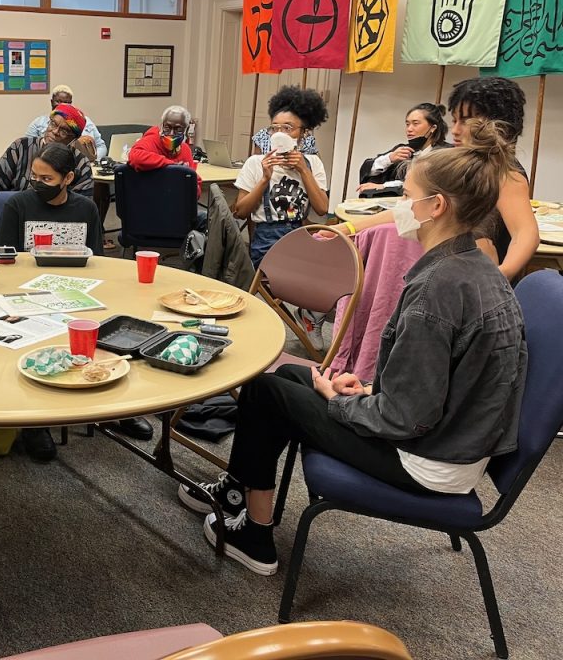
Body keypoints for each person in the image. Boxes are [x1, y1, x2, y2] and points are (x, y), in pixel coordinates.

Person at [178, 119, 527, 577]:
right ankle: (239, 490)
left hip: (430, 460)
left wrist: (343, 403)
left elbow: (403, 418)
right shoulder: (474, 266)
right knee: (288, 375)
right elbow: (430, 388)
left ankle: (255, 538)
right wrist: (364, 389)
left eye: (406, 197)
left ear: (435, 206)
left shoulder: (437, 290)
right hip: (453, 439)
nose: (399, 207)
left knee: (265, 392)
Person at [0, 143, 153, 458]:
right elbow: (1, 258)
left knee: (109, 329)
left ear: (68, 178)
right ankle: (34, 421)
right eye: (34, 177)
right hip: (27, 292)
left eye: (47, 179)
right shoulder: (18, 205)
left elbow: (98, 262)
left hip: (76, 291)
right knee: (32, 335)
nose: (38, 184)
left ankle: (115, 409)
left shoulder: (85, 209)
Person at [328, 77, 538, 283]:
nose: (455, 130)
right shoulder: (460, 163)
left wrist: (503, 273)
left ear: (497, 125)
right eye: (454, 120)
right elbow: (410, 209)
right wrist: (349, 228)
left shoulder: (504, 172)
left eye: (465, 121)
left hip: (472, 276)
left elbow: (525, 232)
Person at [233, 87, 330, 269]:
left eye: (288, 128)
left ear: (303, 132)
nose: (280, 134)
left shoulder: (312, 163)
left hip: (301, 235)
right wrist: (264, 179)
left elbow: (322, 209)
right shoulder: (256, 163)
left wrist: (303, 170)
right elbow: (241, 212)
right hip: (266, 241)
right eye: (275, 128)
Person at [0, 103, 94, 204]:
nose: (55, 132)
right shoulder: (21, 147)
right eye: (53, 124)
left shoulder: (80, 164)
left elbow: (82, 204)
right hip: (18, 213)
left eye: (64, 131)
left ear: (74, 139)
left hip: (60, 221)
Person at [357, 103, 450, 194]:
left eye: (415, 123)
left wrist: (384, 186)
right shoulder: (403, 149)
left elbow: (428, 186)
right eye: (407, 124)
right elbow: (367, 170)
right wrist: (389, 158)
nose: (409, 129)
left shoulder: (446, 153)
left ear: (433, 128)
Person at [128, 105, 202, 199]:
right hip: (150, 202)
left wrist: (193, 186)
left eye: (178, 129)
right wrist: (172, 166)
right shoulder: (151, 140)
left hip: (175, 202)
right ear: (162, 126)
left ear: (185, 130)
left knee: (205, 214)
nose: (171, 133)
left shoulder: (185, 149)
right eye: (167, 127)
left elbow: (194, 185)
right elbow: (135, 157)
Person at [24, 84, 107, 160]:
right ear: (52, 102)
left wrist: (91, 160)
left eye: (67, 102)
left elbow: (101, 146)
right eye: (58, 101)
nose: (62, 105)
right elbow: (28, 147)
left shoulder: (86, 122)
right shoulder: (38, 123)